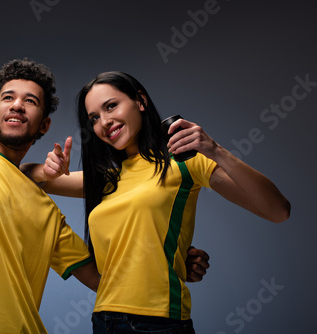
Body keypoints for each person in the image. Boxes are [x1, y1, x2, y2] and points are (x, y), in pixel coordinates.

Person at [0, 60, 210, 333]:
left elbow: (109, 282)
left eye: (30, 101)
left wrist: (171, 259)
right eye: (8, 98)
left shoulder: (47, 212)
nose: (18, 105)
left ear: (44, 125)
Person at [25, 71, 291, 333]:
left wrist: (215, 150)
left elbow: (278, 211)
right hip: (104, 320)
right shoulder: (107, 178)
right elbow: (25, 173)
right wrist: (49, 171)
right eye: (94, 118)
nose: (104, 122)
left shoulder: (185, 161)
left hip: (158, 322)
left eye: (111, 106)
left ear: (140, 101)